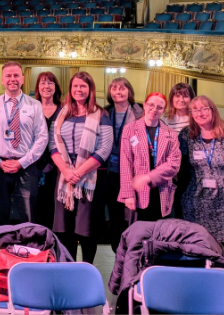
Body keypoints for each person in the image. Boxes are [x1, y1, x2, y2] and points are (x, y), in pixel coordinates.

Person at [177, 95, 224, 260]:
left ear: (213, 110)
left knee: (223, 241)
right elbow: (181, 167)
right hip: (196, 195)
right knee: (197, 239)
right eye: (195, 110)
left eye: (204, 108)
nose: (200, 113)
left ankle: (222, 273)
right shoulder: (186, 135)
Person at [48, 72, 113, 263]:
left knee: (87, 229)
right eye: (75, 86)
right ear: (70, 89)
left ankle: (86, 268)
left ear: (90, 89)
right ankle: (68, 268)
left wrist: (79, 172)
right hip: (64, 178)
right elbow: (53, 144)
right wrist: (67, 172)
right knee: (65, 228)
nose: (79, 90)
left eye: (83, 86)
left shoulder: (101, 114)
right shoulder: (62, 113)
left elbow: (105, 147)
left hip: (89, 179)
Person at [0, 61, 48, 225]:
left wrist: (21, 162)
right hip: (0, 167)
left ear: (23, 79)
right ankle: (1, 249)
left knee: (29, 215)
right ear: (2, 80)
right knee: (0, 214)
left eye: (16, 75)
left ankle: (29, 248)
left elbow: (42, 137)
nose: (12, 79)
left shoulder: (35, 105)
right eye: (8, 76)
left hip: (26, 166)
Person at [117, 92, 181, 225]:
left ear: (163, 111)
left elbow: (174, 164)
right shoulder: (129, 129)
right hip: (138, 192)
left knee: (160, 237)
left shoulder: (171, 133)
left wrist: (148, 177)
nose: (154, 109)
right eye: (151, 105)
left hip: (162, 191)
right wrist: (128, 194)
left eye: (159, 107)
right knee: (139, 236)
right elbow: (125, 163)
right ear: (145, 105)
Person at [100, 77, 143, 252]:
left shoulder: (140, 113)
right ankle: (117, 252)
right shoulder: (104, 112)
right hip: (109, 172)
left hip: (133, 172)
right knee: (115, 215)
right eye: (114, 89)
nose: (118, 92)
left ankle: (134, 251)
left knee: (133, 215)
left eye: (122, 88)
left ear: (129, 91)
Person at [32, 71, 62, 229]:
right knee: (37, 209)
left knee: (55, 211)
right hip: (36, 166)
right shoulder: (31, 108)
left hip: (59, 167)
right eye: (42, 83)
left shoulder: (64, 110)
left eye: (50, 82)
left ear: (56, 87)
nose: (46, 86)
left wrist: (53, 162)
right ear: (37, 87)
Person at [162, 82, 195, 218]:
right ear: (171, 99)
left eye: (185, 96)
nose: (181, 100)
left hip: (192, 166)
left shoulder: (196, 119)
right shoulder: (165, 120)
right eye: (177, 96)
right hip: (172, 168)